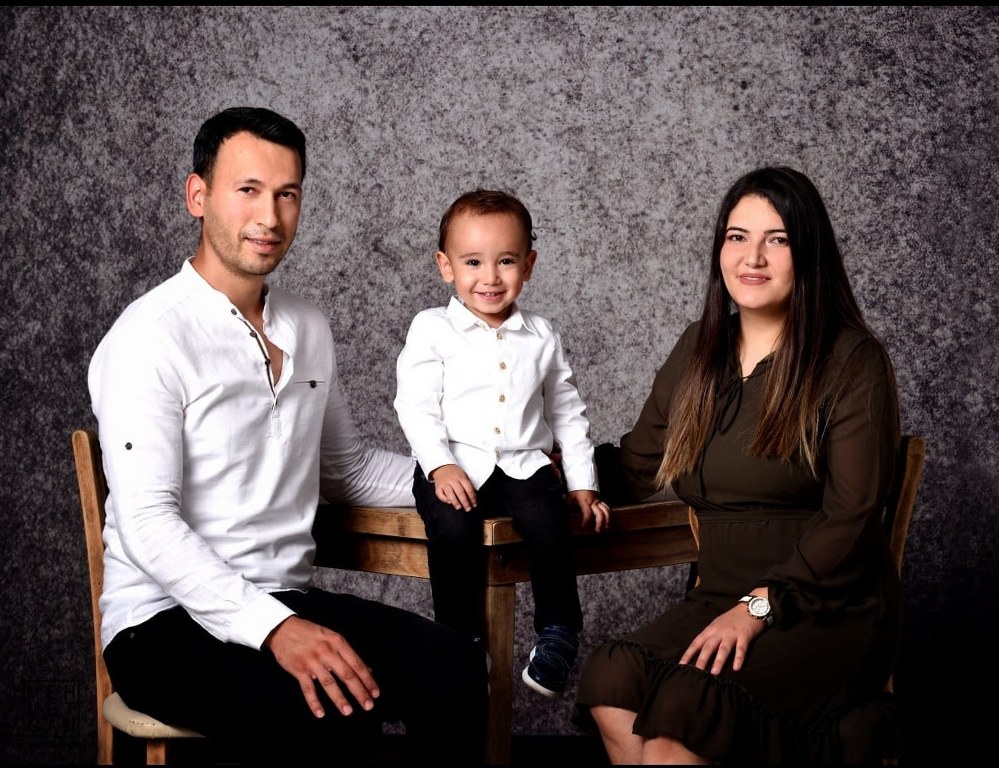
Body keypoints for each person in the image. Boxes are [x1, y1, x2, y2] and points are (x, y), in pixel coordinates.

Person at [88, 107, 487, 765]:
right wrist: (274, 629)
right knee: (334, 709)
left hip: (286, 597)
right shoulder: (148, 338)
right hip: (161, 623)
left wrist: (479, 475)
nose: (269, 217)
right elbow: (147, 525)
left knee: (454, 665)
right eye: (247, 190)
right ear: (198, 196)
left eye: (286, 193)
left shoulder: (307, 327)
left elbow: (348, 472)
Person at [572, 166, 902, 764]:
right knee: (612, 677)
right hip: (718, 595)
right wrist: (547, 468)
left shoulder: (852, 360)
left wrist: (759, 607)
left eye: (778, 239)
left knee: (685, 714)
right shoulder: (700, 350)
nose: (753, 257)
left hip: (824, 607)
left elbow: (853, 514)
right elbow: (635, 469)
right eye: (737, 236)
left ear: (809, 254)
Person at [393, 189, 611, 699]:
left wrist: (583, 484)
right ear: (445, 266)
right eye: (473, 262)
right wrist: (439, 465)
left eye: (506, 261)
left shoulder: (541, 335)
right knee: (451, 530)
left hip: (524, 465)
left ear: (528, 265)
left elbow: (567, 412)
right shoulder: (432, 329)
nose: (490, 277)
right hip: (455, 465)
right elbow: (415, 405)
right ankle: (461, 641)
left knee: (549, 523)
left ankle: (558, 630)